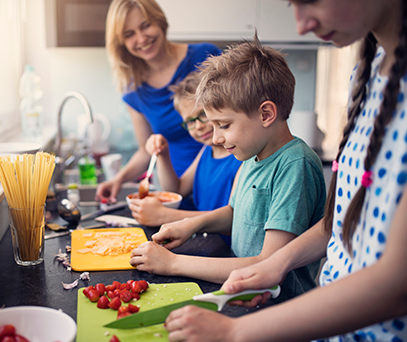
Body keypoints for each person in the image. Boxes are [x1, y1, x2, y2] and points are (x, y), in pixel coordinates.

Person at [161, 1, 407, 342]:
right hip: (335, 336)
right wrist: (275, 265)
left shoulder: (294, 162)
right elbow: (339, 223)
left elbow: (396, 285)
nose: (301, 24)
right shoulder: (366, 76)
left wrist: (234, 333)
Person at [130, 36, 327, 302]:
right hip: (240, 292)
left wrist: (172, 263)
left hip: (277, 307)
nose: (215, 138)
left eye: (223, 125)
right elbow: (236, 212)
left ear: (266, 114)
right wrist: (189, 225)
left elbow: (267, 264)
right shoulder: (252, 154)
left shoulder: (294, 165)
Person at [95, 0, 221, 203]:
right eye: (129, 34)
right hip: (177, 191)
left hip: (223, 177)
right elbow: (146, 150)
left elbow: (237, 116)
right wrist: (118, 179)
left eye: (145, 26)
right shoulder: (134, 91)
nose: (141, 38)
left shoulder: (205, 56)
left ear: (160, 21)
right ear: (121, 43)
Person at [127, 71, 242, 239]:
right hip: (206, 241)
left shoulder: (240, 156)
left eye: (203, 115)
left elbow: (233, 220)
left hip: (226, 251)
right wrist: (163, 155)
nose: (198, 126)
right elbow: (176, 190)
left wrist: (164, 215)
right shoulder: (207, 151)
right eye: (189, 121)